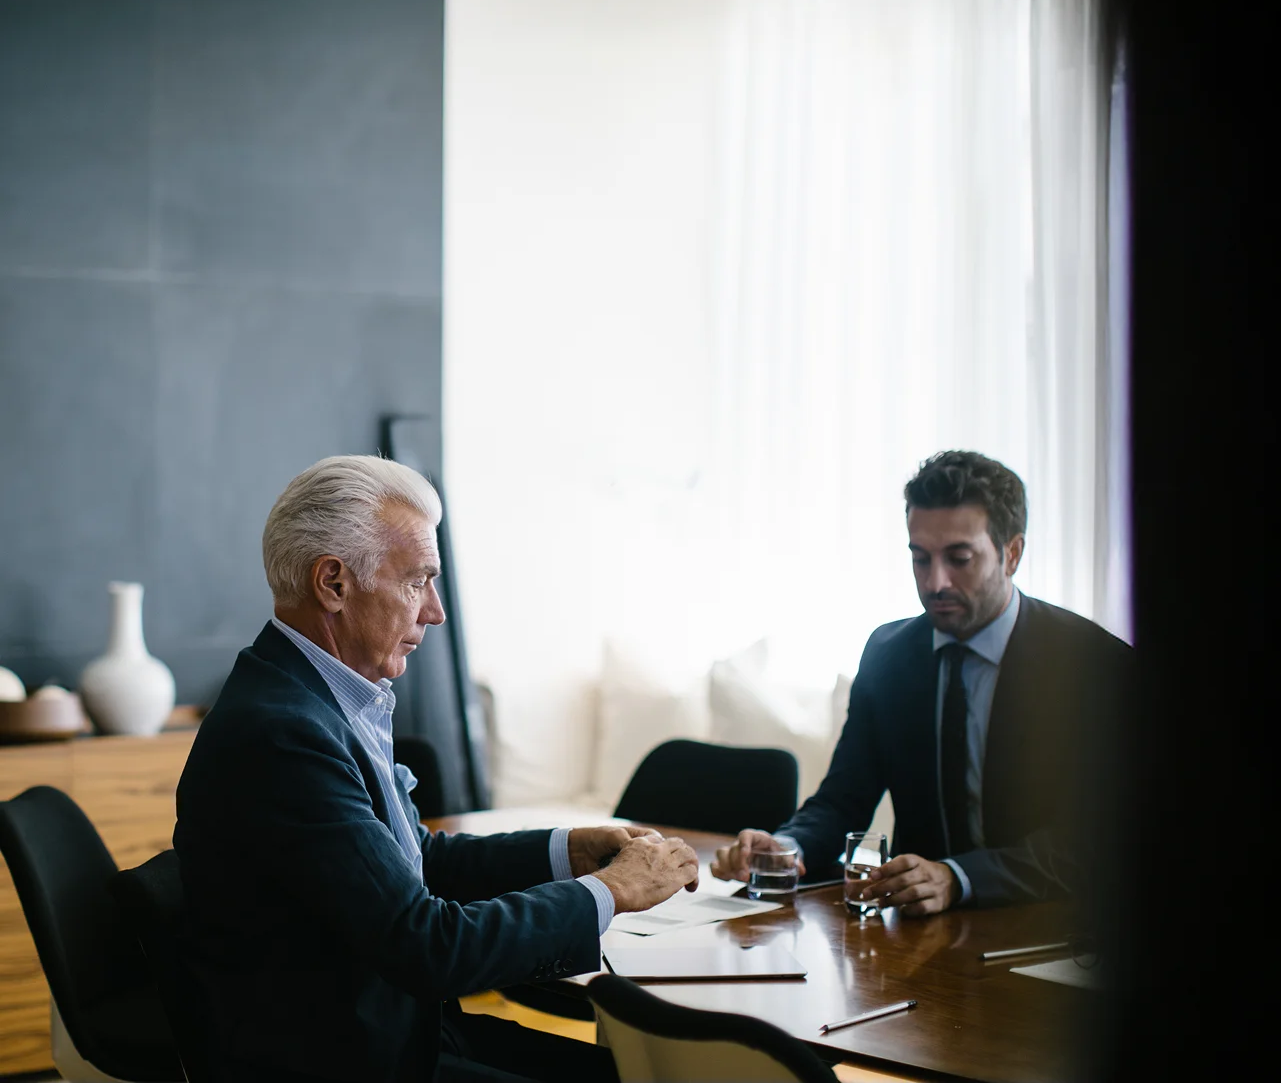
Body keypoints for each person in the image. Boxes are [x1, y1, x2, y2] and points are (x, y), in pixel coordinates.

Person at [174, 455, 699, 1082]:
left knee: (635, 1073)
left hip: (389, 1033)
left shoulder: (311, 697)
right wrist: (612, 892)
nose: (435, 611)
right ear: (334, 584)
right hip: (343, 1061)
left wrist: (568, 851)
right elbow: (426, 945)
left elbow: (417, 863)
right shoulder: (283, 734)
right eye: (418, 580)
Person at [711, 450, 1129, 915]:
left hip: (1052, 935)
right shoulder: (889, 654)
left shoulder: (1091, 665)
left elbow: (1100, 841)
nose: (936, 582)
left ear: (1012, 554)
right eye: (920, 559)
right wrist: (786, 848)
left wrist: (958, 877)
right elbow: (842, 800)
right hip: (917, 934)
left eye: (959, 558)